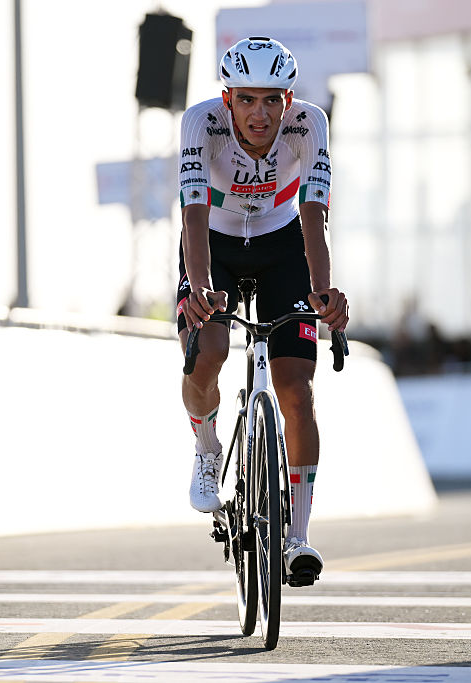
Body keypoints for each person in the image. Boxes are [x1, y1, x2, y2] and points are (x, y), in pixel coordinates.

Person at [175, 37, 350, 582]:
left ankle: (297, 538)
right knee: (210, 350)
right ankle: (207, 447)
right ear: (227, 99)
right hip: (215, 247)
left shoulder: (309, 124)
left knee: (296, 385)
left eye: (272, 100)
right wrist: (200, 288)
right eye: (247, 99)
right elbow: (194, 217)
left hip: (282, 247)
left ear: (288, 99)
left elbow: (314, 216)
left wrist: (324, 290)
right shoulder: (199, 123)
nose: (260, 113)